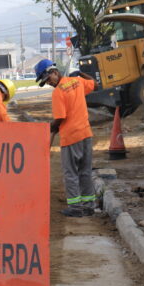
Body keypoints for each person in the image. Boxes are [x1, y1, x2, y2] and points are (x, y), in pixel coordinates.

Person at [35, 59, 98, 217]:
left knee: (70, 173)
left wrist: (50, 127)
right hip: (86, 134)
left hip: (70, 137)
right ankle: (89, 206)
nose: (49, 83)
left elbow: (60, 118)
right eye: (46, 82)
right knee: (85, 171)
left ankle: (76, 208)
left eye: (48, 79)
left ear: (54, 72)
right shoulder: (77, 81)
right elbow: (94, 83)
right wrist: (80, 73)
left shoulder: (58, 93)